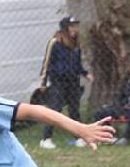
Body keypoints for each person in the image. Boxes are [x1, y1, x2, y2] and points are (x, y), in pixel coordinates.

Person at [38, 16, 95, 149]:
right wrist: (43, 82)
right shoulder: (55, 42)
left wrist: (86, 74)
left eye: (76, 25)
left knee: (74, 110)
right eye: (72, 26)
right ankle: (46, 138)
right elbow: (47, 63)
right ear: (65, 28)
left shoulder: (76, 45)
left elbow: (77, 64)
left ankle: (79, 138)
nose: (75, 28)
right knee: (55, 109)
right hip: (58, 82)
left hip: (73, 82)